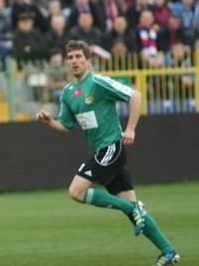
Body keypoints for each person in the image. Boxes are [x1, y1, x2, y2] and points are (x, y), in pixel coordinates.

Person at [35, 40, 180, 266]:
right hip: (105, 152)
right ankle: (168, 251)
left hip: (112, 146)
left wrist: (130, 128)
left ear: (88, 60)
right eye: (70, 58)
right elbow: (65, 128)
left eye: (78, 57)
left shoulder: (99, 82)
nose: (73, 61)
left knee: (76, 191)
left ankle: (133, 208)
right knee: (133, 214)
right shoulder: (67, 93)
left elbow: (136, 96)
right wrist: (48, 121)